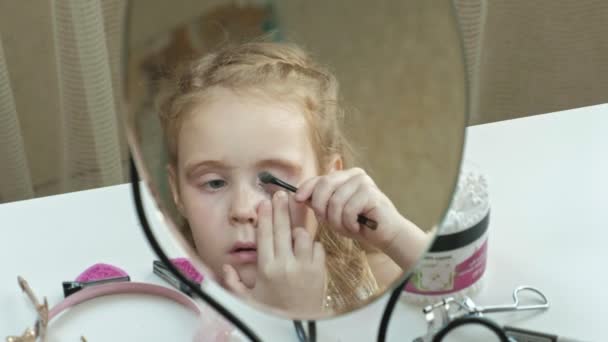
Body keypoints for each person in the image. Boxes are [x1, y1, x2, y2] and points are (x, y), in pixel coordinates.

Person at [157, 41, 430, 316]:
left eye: (272, 180)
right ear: (177, 191)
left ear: (329, 178)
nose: (242, 210)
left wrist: (397, 237)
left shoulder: (366, 279)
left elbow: (457, 299)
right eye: (215, 183)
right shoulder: (167, 311)